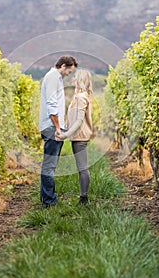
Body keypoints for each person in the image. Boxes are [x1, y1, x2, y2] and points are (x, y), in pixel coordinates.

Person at [39, 55, 78, 208]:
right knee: (49, 165)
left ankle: (47, 199)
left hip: (52, 127)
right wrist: (57, 128)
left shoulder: (55, 78)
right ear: (63, 66)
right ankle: (49, 202)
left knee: (50, 165)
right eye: (69, 70)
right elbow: (51, 105)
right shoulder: (53, 78)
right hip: (51, 128)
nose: (70, 74)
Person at [56, 69, 93, 204]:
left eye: (75, 77)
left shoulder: (80, 98)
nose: (72, 79)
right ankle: (84, 197)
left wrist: (65, 134)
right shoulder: (81, 96)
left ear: (80, 80)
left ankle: (84, 198)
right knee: (81, 167)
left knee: (82, 167)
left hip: (80, 137)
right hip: (78, 136)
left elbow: (78, 121)